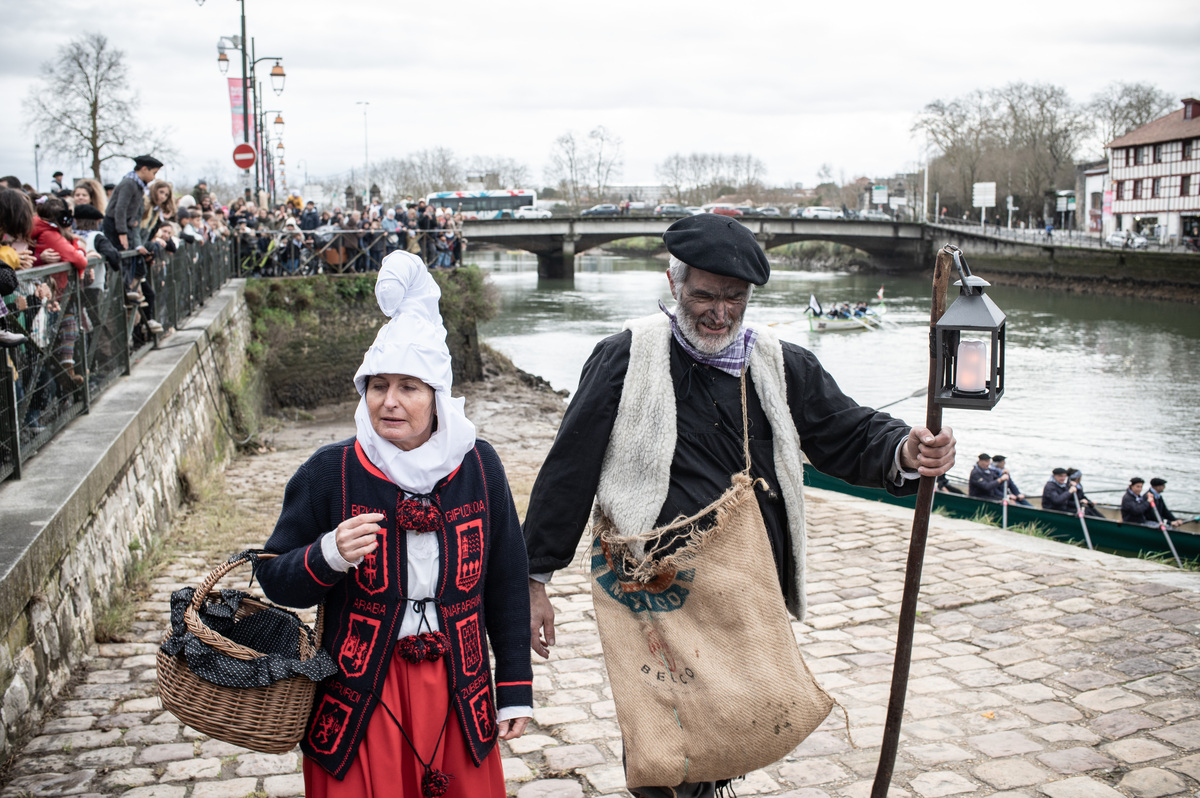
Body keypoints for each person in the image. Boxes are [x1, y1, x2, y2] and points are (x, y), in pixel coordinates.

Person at [521, 214, 956, 798]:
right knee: (664, 745)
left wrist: (905, 449)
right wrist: (534, 578)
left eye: (735, 299)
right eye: (705, 295)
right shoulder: (626, 358)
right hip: (656, 593)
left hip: (747, 591)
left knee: (728, 728)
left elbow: (846, 432)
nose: (719, 313)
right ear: (674, 283)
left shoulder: (778, 363)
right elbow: (569, 470)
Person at [256, 251, 532, 796]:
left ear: (437, 396)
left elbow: (505, 579)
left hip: (460, 683)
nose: (390, 402)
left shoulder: (479, 464)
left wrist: (515, 686)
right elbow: (273, 576)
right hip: (359, 688)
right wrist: (327, 555)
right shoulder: (329, 470)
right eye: (378, 385)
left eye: (409, 386)